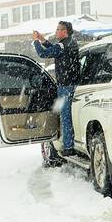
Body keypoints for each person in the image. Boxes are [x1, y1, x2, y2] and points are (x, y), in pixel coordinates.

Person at [32, 21, 80, 156]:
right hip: (72, 84)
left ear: (65, 32)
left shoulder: (62, 45)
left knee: (65, 117)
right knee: (67, 115)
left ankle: (68, 147)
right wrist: (42, 40)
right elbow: (55, 50)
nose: (56, 31)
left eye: (58, 29)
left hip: (65, 87)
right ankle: (69, 144)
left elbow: (43, 54)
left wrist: (36, 42)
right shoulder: (70, 43)